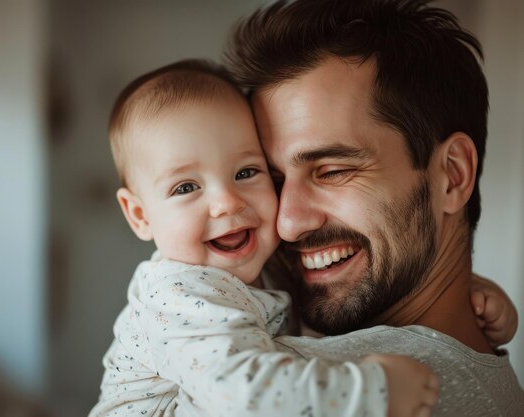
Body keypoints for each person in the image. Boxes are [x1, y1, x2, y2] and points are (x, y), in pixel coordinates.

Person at [88, 60, 441, 417]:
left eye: (246, 172)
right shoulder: (178, 294)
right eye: (186, 187)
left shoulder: (258, 266)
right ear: (140, 215)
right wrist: (371, 392)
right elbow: (243, 394)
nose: (226, 202)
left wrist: (471, 290)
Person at [223, 0, 524, 415]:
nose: (288, 223)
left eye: (331, 171)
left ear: (452, 175)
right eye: (273, 181)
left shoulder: (350, 395)